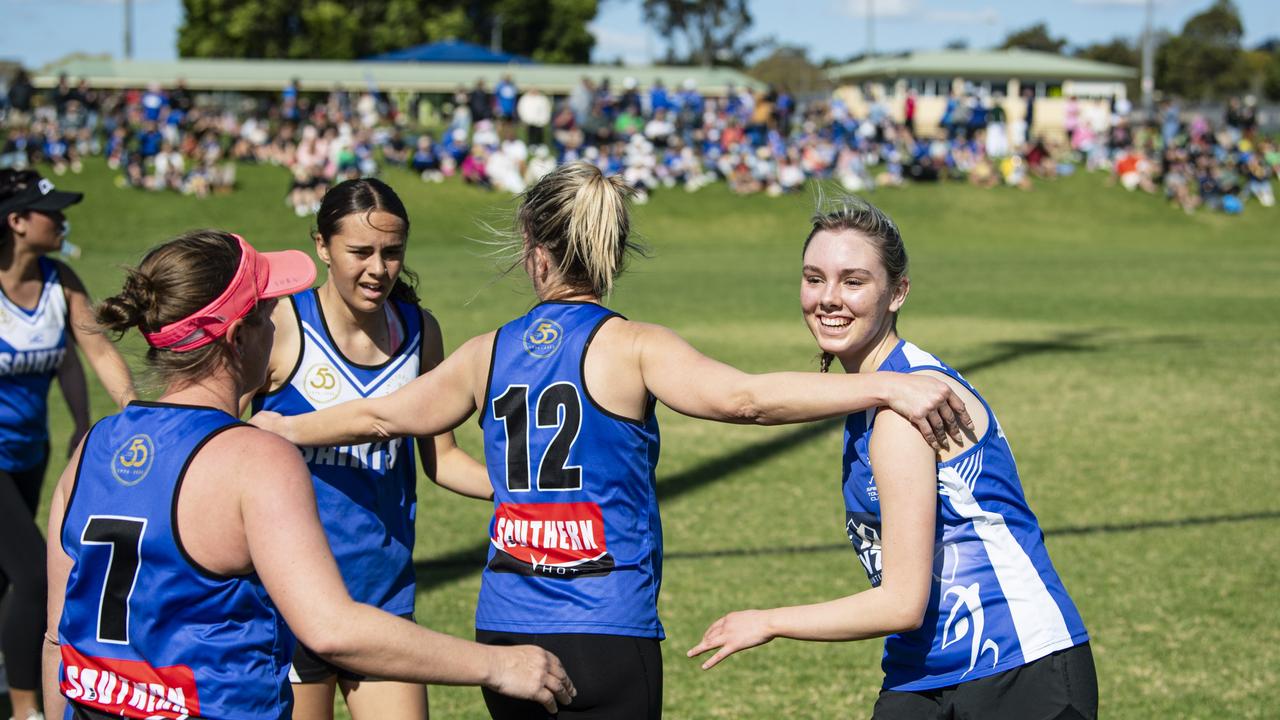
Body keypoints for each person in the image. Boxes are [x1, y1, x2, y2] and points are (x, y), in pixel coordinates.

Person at [250, 162, 974, 719]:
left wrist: (284, 427)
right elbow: (744, 400)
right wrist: (883, 385)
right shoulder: (631, 346)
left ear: (534, 250)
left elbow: (383, 415)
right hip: (606, 633)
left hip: (502, 634)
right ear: (613, 251)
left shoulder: (483, 352)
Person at [42, 230, 574, 720]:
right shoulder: (254, 458)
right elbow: (332, 629)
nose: (278, 323)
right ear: (238, 337)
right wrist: (499, 665)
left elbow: (55, 638)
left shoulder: (91, 448)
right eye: (268, 311)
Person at [687, 197, 1096, 720]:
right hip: (921, 670)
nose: (829, 299)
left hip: (1017, 668)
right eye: (815, 279)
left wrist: (768, 620)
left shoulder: (905, 407)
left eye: (853, 281)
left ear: (897, 292)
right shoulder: (878, 392)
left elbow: (902, 602)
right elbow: (751, 400)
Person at [248, 178, 493, 720]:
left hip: (383, 598)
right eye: (360, 252)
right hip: (290, 602)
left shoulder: (419, 332)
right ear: (322, 246)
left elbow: (443, 460)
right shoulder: (281, 327)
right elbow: (225, 448)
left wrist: (525, 494)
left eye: (392, 252)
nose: (378, 269)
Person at [1, 168, 135, 720]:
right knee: (34, 571)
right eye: (49, 212)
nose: (61, 221)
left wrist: (130, 415)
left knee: (5, 575)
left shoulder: (61, 282)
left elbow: (91, 354)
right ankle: (28, 709)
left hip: (30, 453)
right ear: (15, 221)